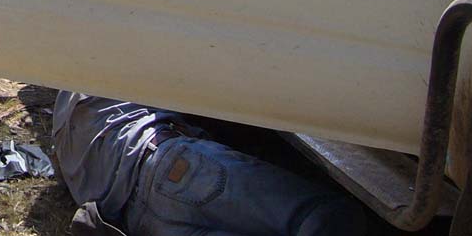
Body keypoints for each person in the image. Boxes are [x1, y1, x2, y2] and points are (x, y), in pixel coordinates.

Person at [51, 91, 367, 236]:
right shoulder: (121, 53)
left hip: (138, 219)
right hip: (170, 169)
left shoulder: (67, 121)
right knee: (324, 218)